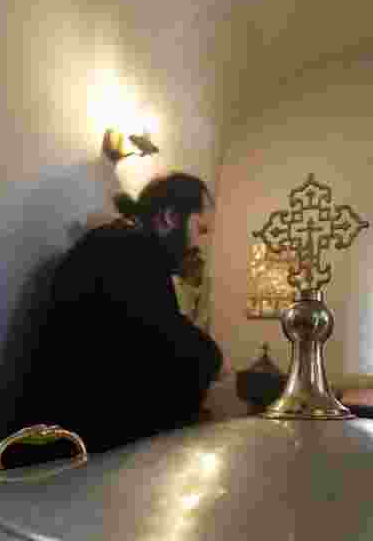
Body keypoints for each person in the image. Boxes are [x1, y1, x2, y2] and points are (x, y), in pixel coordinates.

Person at [18, 172, 223, 455]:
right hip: (76, 448)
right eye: (200, 229)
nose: (198, 244)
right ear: (171, 217)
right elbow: (162, 343)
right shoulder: (129, 250)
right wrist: (213, 358)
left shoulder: (119, 244)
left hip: (76, 434)